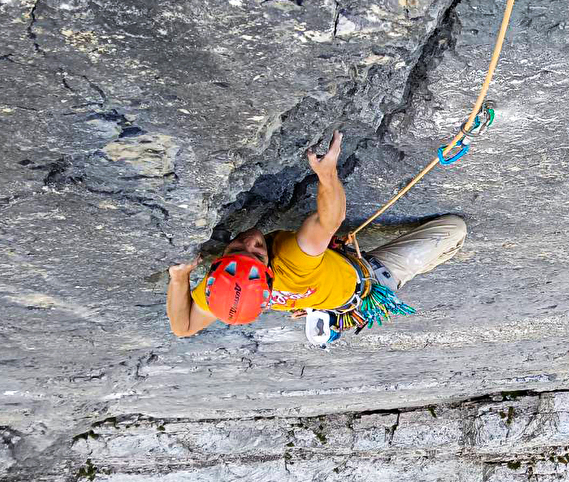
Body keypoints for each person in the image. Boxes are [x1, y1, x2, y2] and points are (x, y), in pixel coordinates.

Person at [166, 131, 466, 340]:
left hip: (323, 297)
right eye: (258, 252)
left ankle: (318, 310)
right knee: (454, 228)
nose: (250, 240)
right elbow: (329, 220)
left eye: (237, 248)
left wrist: (179, 277)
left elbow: (183, 326)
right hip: (372, 281)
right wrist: (327, 174)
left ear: (220, 264)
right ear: (268, 275)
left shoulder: (225, 287)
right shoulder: (293, 258)